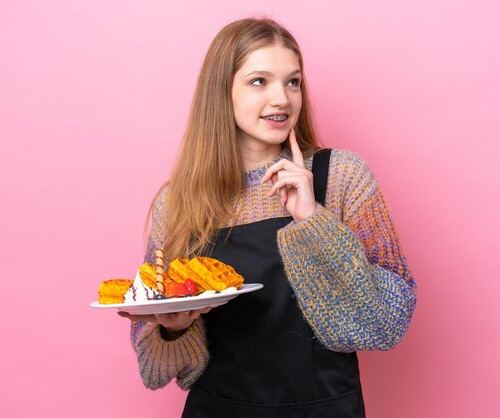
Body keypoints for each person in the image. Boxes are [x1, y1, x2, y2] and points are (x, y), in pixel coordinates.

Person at [118, 17, 417, 417]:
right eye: (260, 81)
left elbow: (387, 324)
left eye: (292, 82)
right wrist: (174, 328)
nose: (282, 99)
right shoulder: (178, 203)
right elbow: (155, 371)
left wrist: (312, 220)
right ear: (221, 93)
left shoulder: (341, 176)